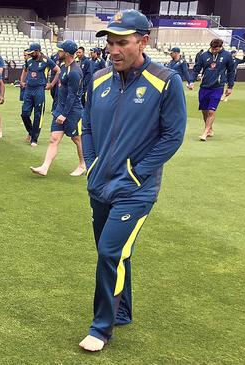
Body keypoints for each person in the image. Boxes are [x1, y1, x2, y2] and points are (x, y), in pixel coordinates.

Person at [79, 9, 186, 352]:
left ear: (143, 41)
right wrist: (93, 164)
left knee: (110, 252)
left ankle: (101, 328)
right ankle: (122, 311)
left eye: (121, 42)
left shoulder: (166, 81)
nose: (113, 49)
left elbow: (172, 136)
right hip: (100, 185)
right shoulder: (98, 79)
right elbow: (89, 125)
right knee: (115, 251)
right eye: (110, 42)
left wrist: (136, 172)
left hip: (136, 191)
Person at [30, 40, 86, 177]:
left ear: (66, 53)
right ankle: (44, 167)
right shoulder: (63, 66)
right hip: (60, 110)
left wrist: (64, 114)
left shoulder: (74, 72)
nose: (57, 52)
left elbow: (72, 96)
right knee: (54, 138)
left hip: (72, 112)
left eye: (60, 50)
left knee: (77, 139)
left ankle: (82, 164)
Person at [192, 38, 235, 141]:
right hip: (204, 87)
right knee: (204, 111)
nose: (215, 50)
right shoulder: (204, 56)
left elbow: (231, 72)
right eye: (213, 48)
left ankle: (205, 132)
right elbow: (196, 69)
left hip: (218, 87)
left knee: (211, 111)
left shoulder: (227, 56)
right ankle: (210, 128)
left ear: (221, 47)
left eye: (217, 49)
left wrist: (230, 87)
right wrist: (191, 81)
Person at [19, 43, 60, 146]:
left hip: (39, 90)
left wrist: (52, 84)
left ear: (37, 51)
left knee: (38, 114)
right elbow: (25, 70)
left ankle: (34, 138)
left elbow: (58, 70)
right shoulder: (28, 60)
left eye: (32, 52)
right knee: (24, 113)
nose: (30, 54)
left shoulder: (46, 60)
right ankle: (31, 131)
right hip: (28, 89)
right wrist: (22, 81)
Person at [49, 43, 62, 112]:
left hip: (60, 77)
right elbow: (49, 66)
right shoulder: (53, 56)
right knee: (52, 92)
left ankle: (54, 108)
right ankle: (56, 104)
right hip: (53, 76)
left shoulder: (63, 57)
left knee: (58, 93)